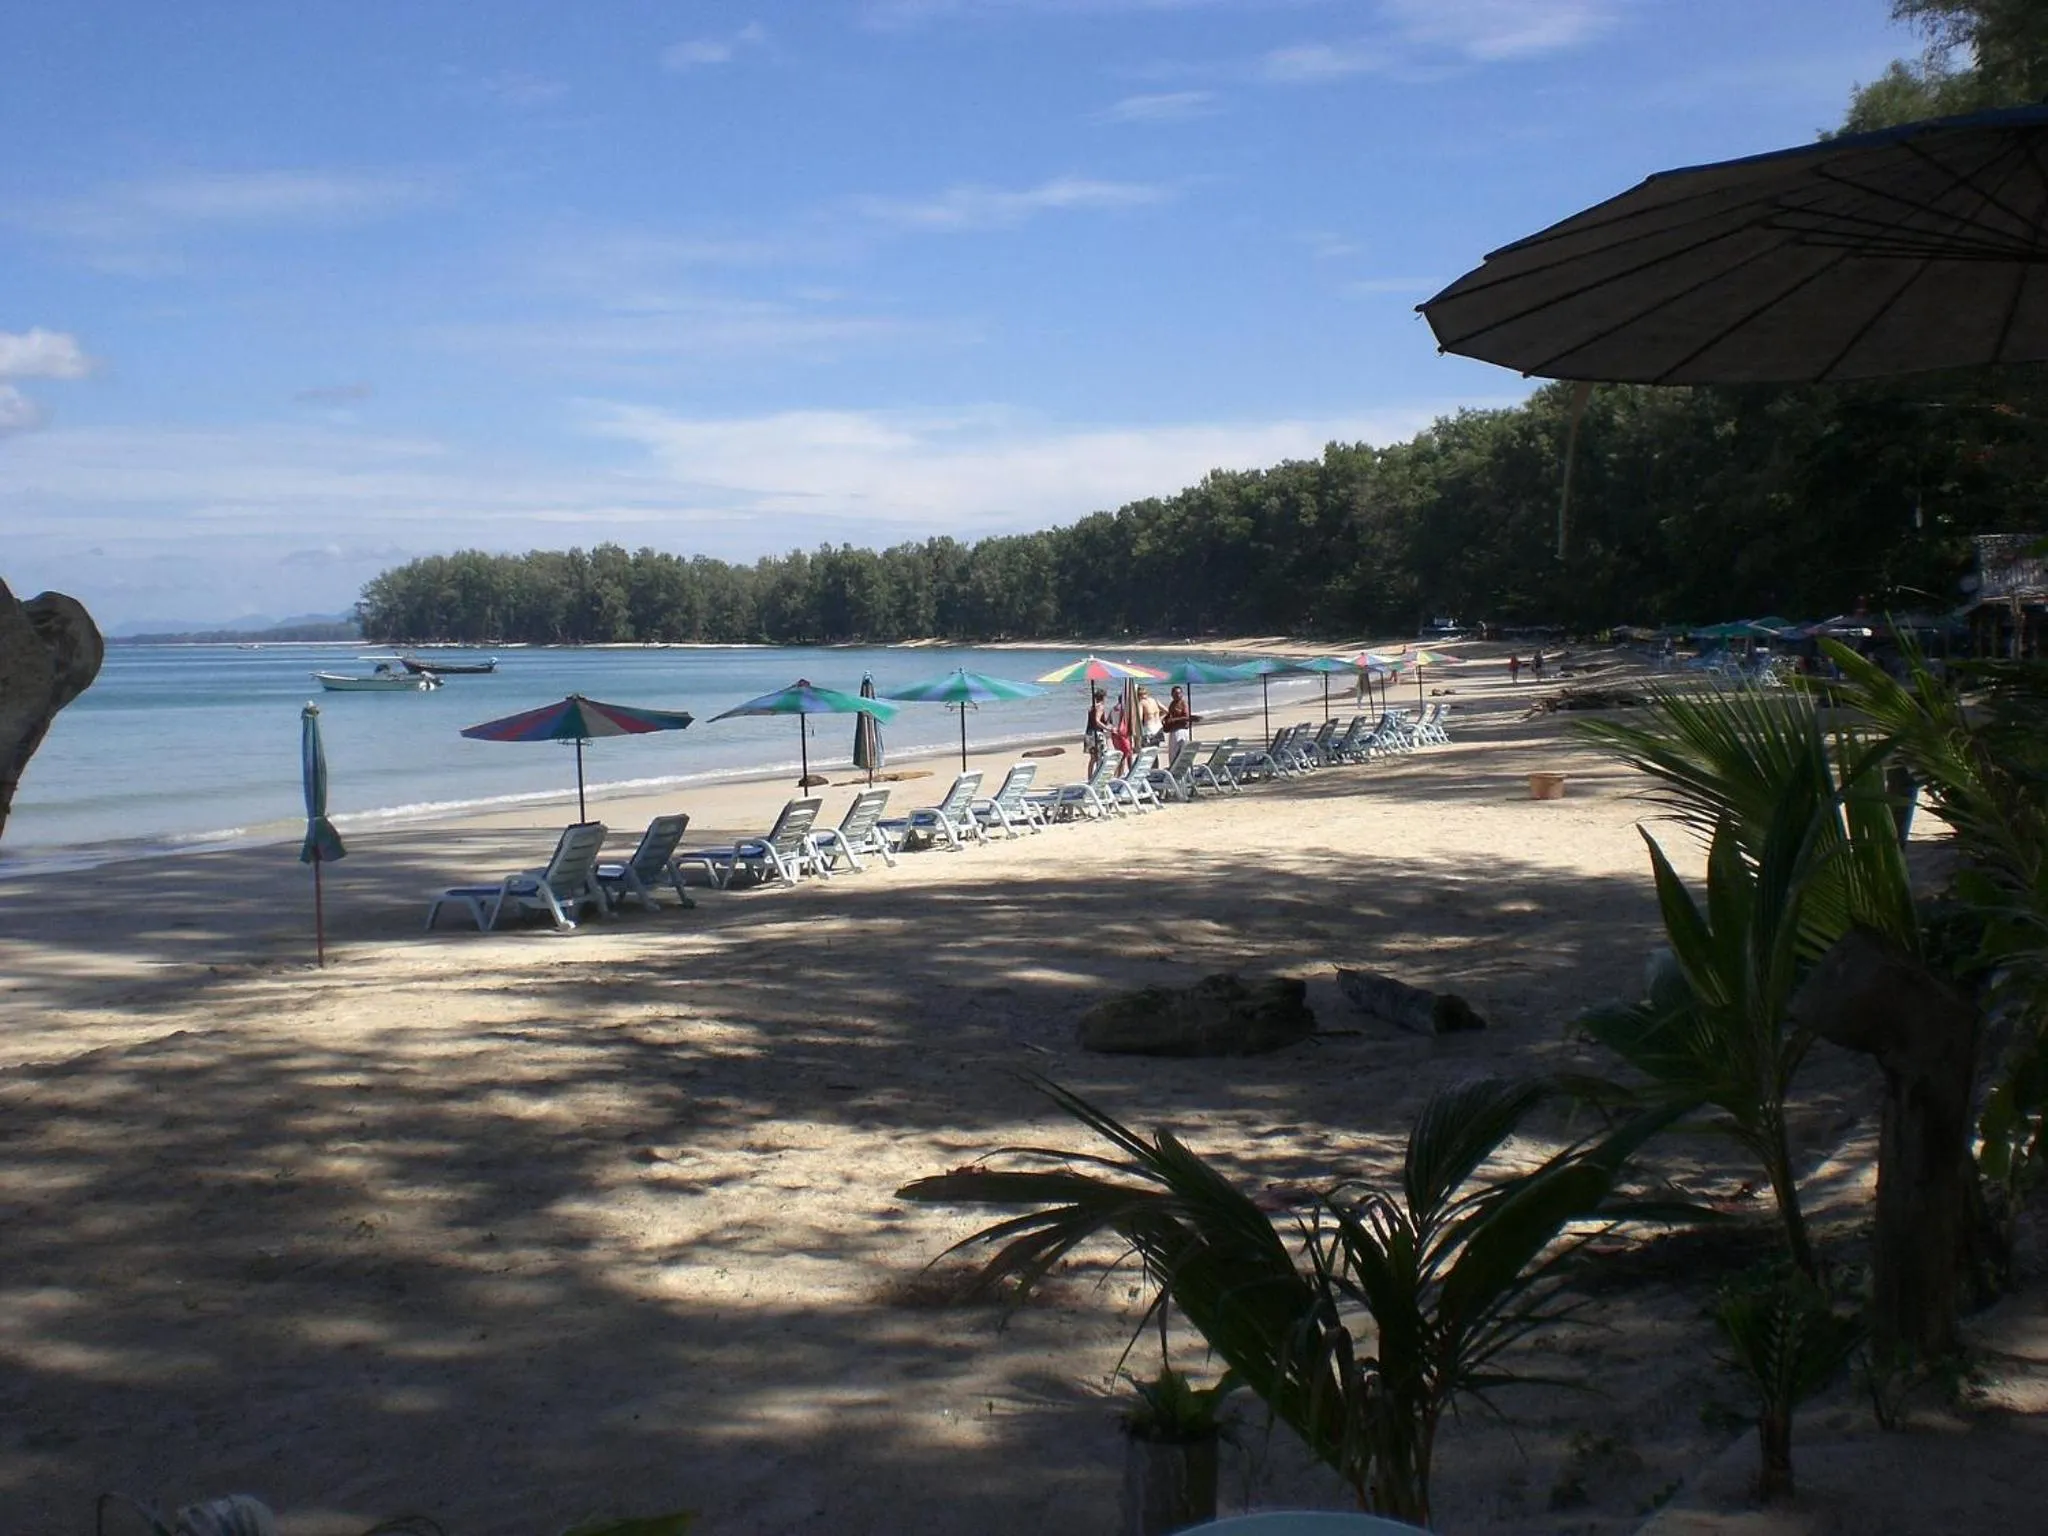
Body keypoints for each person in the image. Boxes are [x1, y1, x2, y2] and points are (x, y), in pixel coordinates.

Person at [1161, 686, 1196, 756]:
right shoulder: (1172, 704)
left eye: (1179, 693)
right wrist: (1165, 719)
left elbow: (1187, 717)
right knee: (1172, 753)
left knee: (1181, 752)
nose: (1178, 695)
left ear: (1182, 694)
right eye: (1175, 694)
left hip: (1182, 730)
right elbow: (1170, 714)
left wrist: (1174, 720)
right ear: (1172, 695)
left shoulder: (1183, 703)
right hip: (1173, 730)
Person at [1083, 687, 1110, 777]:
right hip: (1097, 734)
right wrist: (1107, 728)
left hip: (1089, 733)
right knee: (1101, 757)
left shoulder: (1092, 707)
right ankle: (1099, 776)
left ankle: (1090, 777)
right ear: (1103, 697)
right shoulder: (1100, 707)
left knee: (1093, 758)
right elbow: (1097, 721)